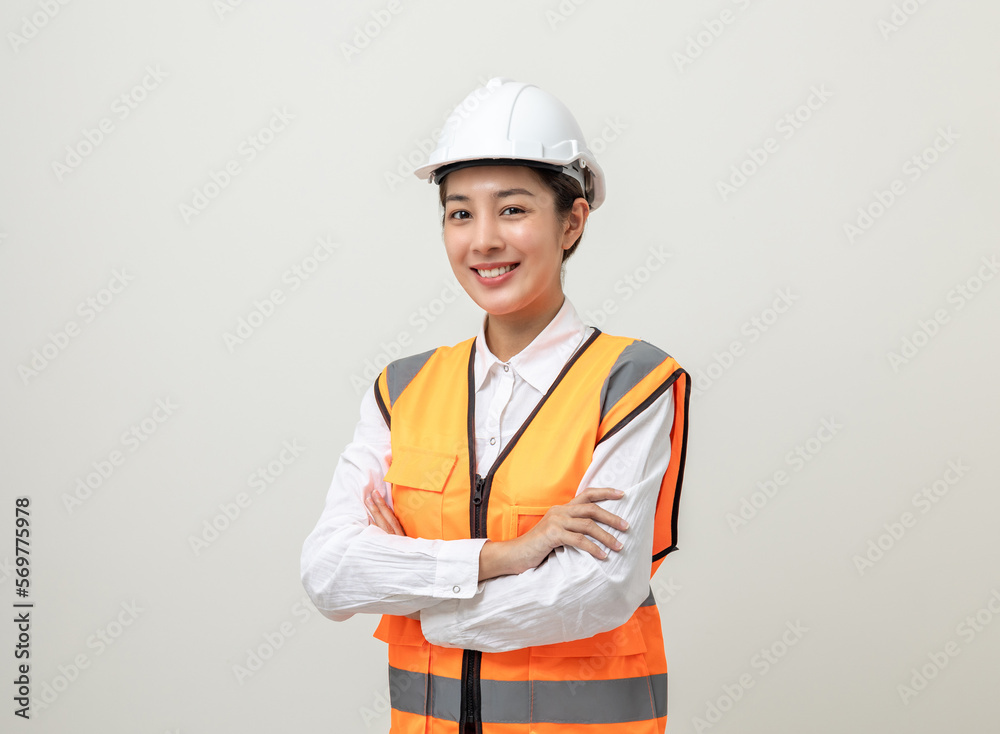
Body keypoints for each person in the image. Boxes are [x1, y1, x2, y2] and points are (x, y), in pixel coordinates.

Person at [300, 77, 690, 734]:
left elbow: (596, 590)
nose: (482, 240)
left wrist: (413, 595)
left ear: (572, 221)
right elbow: (329, 574)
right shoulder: (401, 390)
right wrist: (507, 556)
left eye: (512, 210)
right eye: (460, 213)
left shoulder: (632, 382)